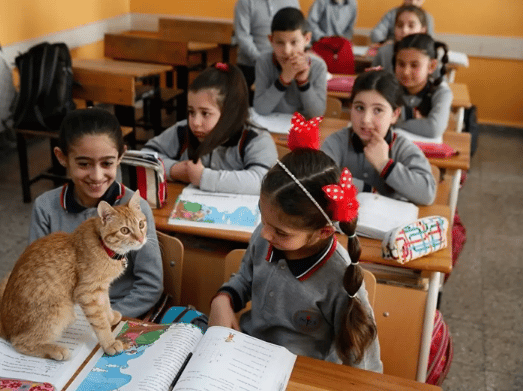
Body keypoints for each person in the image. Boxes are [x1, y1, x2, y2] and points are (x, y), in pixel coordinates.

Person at [209, 127, 382, 372]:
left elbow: (363, 357)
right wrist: (223, 299)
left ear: (323, 232)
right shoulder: (267, 233)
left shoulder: (339, 277)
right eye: (263, 217)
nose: (265, 234)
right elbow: (246, 278)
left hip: (302, 373)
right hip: (248, 357)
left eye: (281, 232)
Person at [28, 108, 164, 318]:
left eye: (107, 163)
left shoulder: (137, 208)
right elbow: (36, 276)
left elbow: (150, 286)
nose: (97, 175)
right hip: (63, 315)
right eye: (84, 164)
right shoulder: (45, 207)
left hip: (119, 312)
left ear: (121, 157)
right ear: (62, 157)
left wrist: (106, 319)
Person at [143, 63, 278, 195]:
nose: (195, 122)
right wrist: (174, 170)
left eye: (205, 113)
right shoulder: (182, 131)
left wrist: (203, 177)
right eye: (191, 112)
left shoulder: (255, 139)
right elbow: (144, 156)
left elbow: (263, 180)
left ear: (229, 113)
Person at [321, 69, 436, 205]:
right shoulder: (335, 142)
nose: (366, 119)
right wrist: (367, 190)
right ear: (350, 108)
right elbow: (320, 178)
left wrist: (385, 165)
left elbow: (427, 194)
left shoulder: (403, 148)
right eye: (359, 108)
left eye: (378, 110)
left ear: (394, 114)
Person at [253, 7, 327, 119]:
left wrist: (303, 82)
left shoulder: (318, 66)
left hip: (302, 130)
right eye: (279, 42)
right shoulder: (263, 62)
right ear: (270, 40)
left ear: (307, 39)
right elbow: (260, 109)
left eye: (294, 42)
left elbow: (317, 114)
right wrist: (284, 78)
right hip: (272, 127)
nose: (287, 51)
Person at [394, 33, 452, 139]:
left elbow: (434, 128)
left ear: (432, 66)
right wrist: (419, 123)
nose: (406, 72)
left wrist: (394, 123)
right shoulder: (390, 87)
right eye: (401, 64)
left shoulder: (441, 92)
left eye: (414, 65)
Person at [233, 0, 301, 90]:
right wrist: (264, 62)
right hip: (251, 67)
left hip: (284, 66)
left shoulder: (292, 1)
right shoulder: (245, 2)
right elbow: (242, 37)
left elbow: (297, 32)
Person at [370, 5, 428, 73]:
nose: (404, 30)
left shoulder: (429, 54)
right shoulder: (384, 52)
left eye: (411, 26)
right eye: (400, 25)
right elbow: (372, 79)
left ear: (423, 30)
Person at [370, 0, 434, 44]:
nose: (413, 2)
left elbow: (430, 41)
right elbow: (376, 33)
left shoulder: (427, 17)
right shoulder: (392, 13)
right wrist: (384, 43)